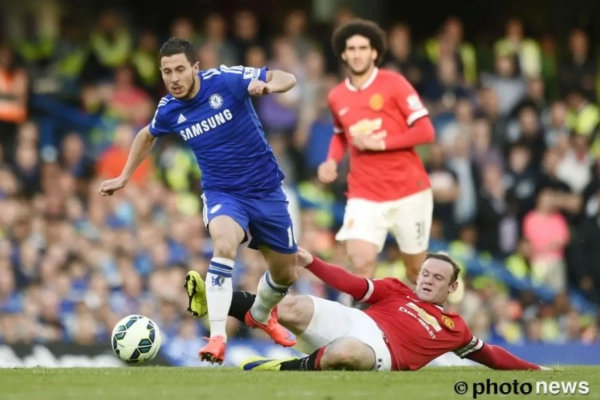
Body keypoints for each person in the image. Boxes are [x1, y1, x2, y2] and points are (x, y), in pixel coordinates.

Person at [98, 38, 299, 364]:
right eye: (167, 72)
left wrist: (269, 86)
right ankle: (217, 338)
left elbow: (284, 77)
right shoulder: (169, 109)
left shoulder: (226, 80)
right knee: (224, 244)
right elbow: (146, 135)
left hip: (266, 190)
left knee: (286, 274)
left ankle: (261, 313)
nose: (174, 78)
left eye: (180, 69)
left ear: (195, 68)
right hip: (223, 193)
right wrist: (124, 177)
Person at [185, 248, 548, 371]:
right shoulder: (397, 289)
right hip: (358, 320)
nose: (427, 280)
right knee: (292, 305)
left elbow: (491, 355)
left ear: (452, 287)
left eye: (438, 278)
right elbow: (353, 286)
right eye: (425, 273)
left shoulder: (454, 328)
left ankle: (281, 368)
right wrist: (312, 261)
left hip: (382, 351)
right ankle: (213, 301)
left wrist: (535, 370)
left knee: (346, 352)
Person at [318, 19, 436, 284]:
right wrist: (331, 161)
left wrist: (381, 144)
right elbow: (340, 134)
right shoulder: (337, 96)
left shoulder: (394, 83)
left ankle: (417, 311)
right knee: (361, 263)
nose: (357, 54)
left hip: (409, 190)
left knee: (416, 272)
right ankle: (363, 310)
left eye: (363, 48)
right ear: (343, 54)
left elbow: (426, 131)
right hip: (365, 193)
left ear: (374, 52)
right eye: (351, 49)